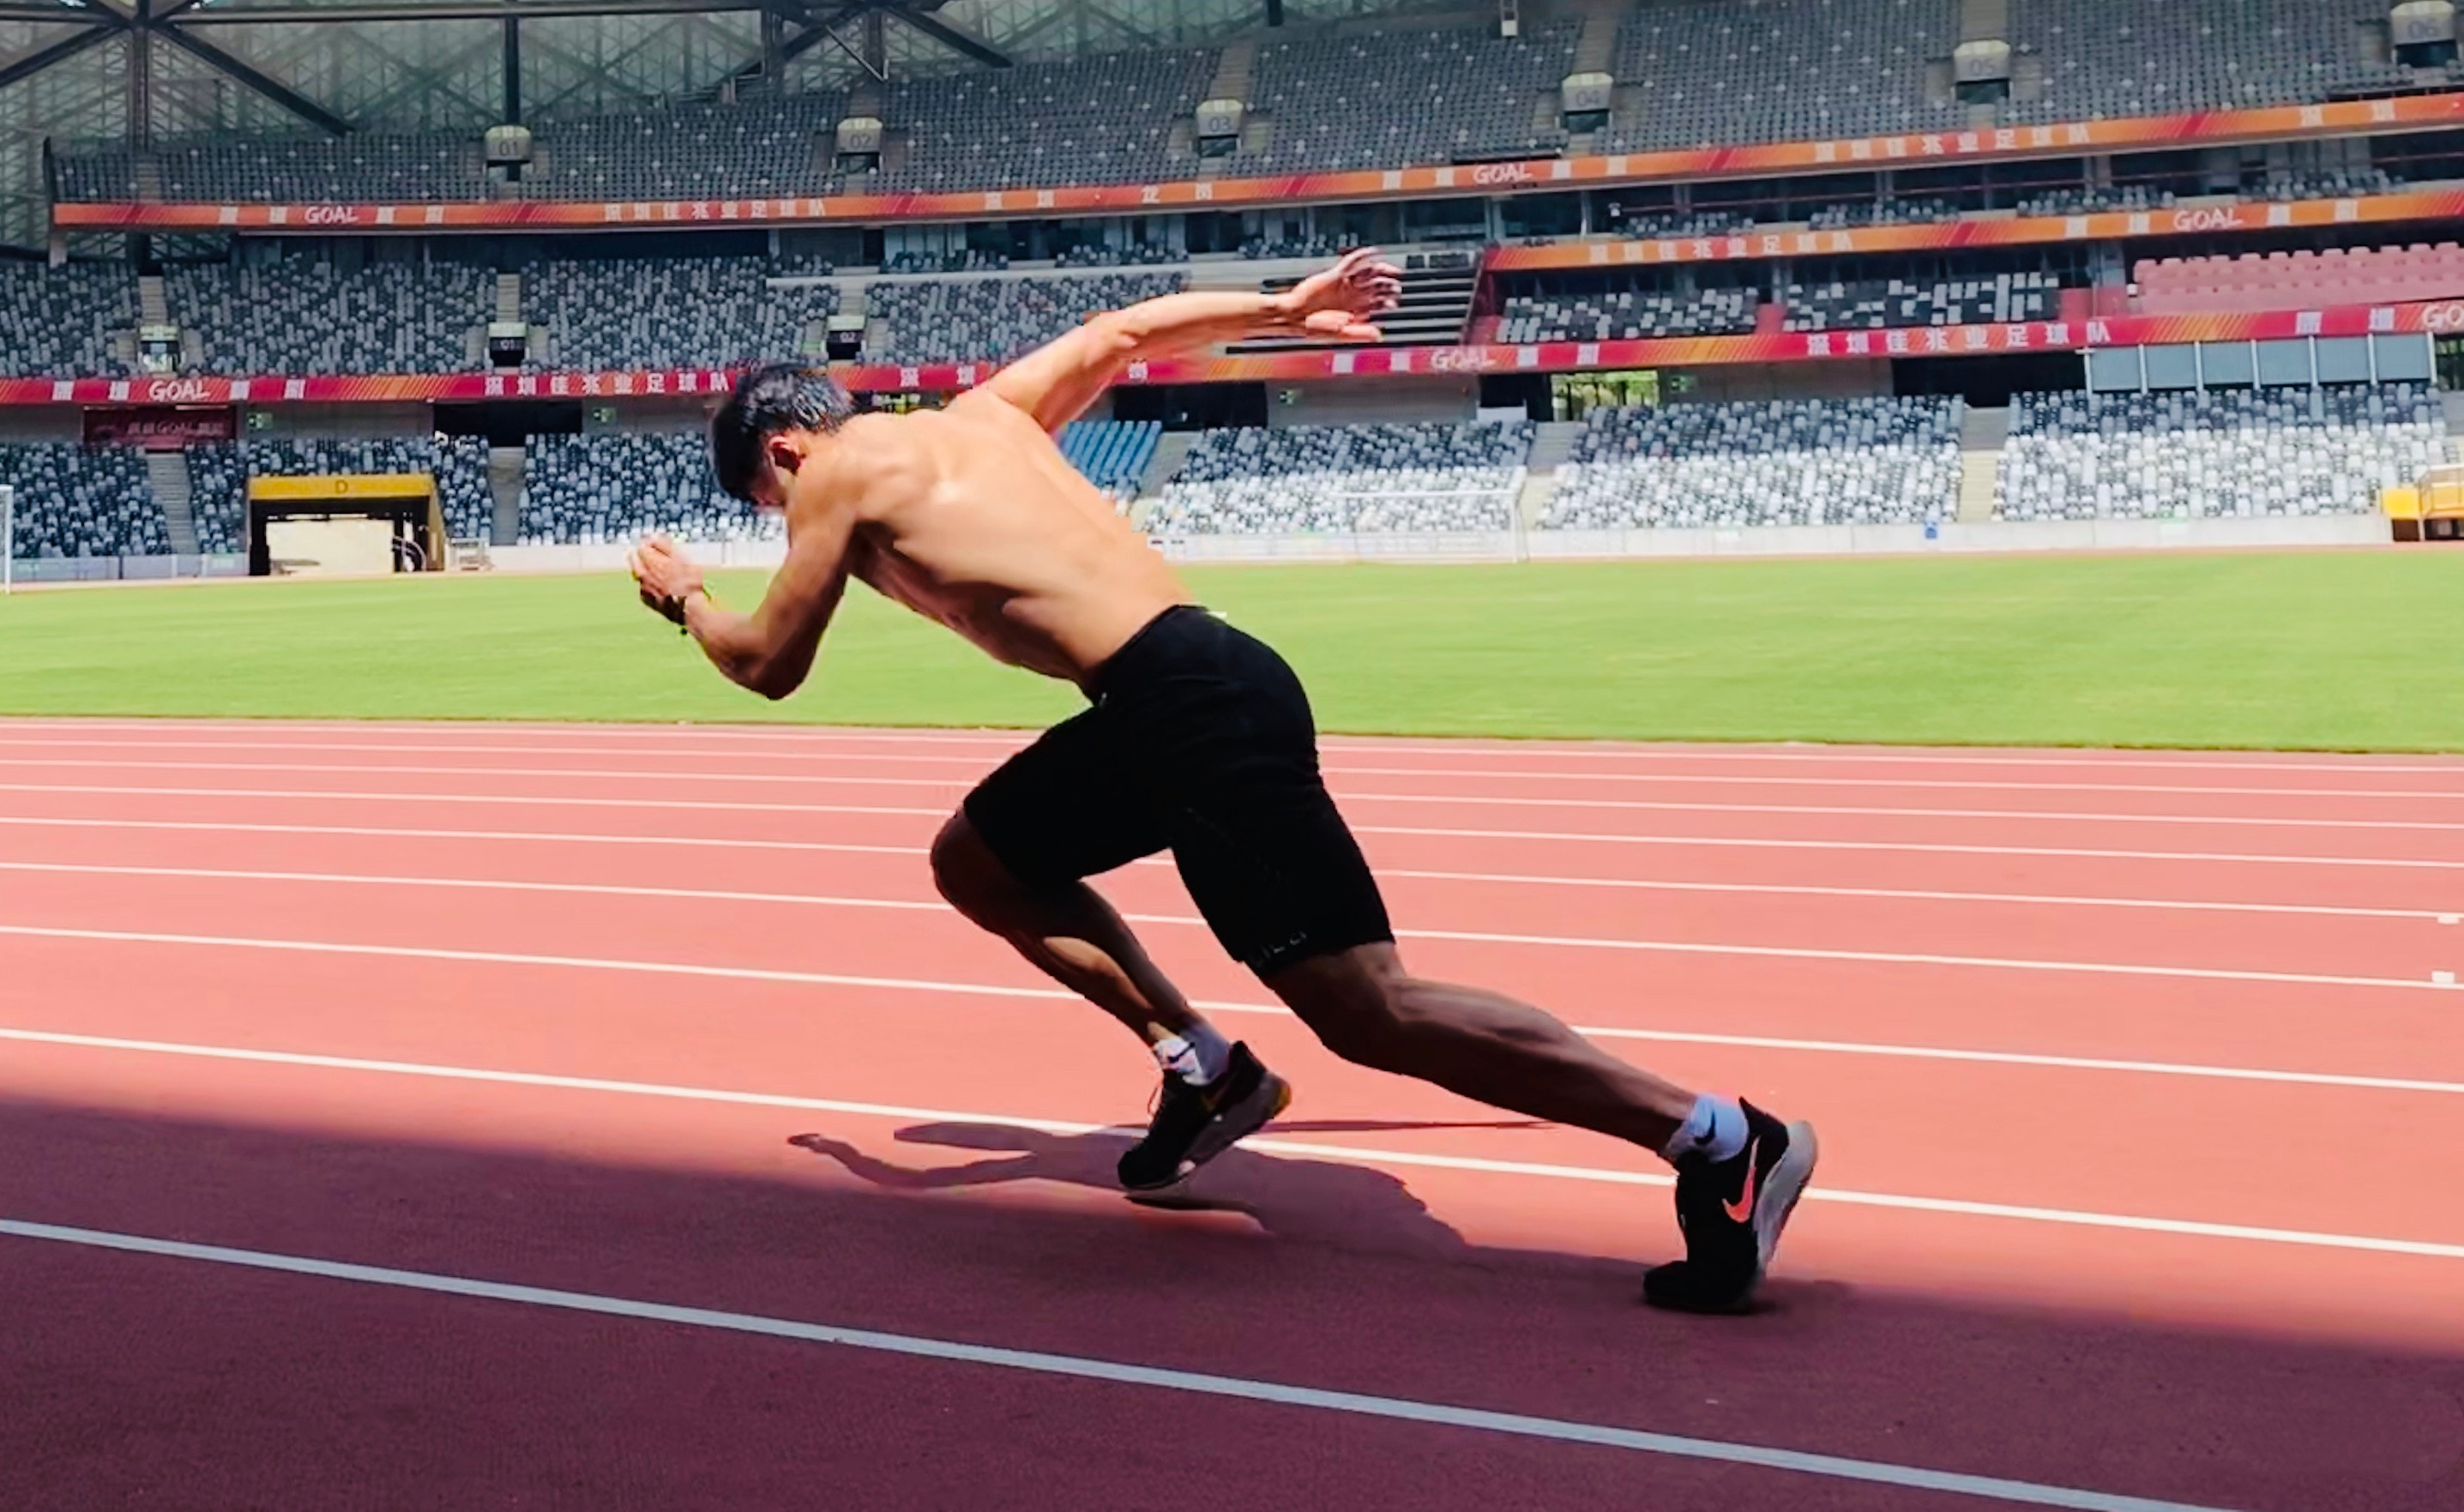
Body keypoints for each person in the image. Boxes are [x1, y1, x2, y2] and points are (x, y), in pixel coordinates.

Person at [626, 253, 1815, 1314]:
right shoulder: (982, 417)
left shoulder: (834, 468)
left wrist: (686, 597)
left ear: (785, 451)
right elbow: (1117, 338)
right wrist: (1284, 308)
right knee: (980, 858)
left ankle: (1716, 1138)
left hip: (1186, 705)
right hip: (1176, 694)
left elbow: (769, 663)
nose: (787, 524)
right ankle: (1205, 1068)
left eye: (769, 507)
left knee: (1374, 1012)